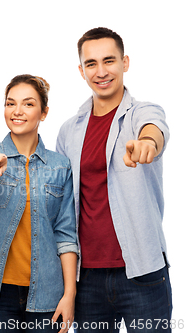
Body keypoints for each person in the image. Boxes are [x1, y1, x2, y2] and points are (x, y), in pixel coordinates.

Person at [56, 27, 172, 332]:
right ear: (81, 71)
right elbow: (64, 208)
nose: (101, 71)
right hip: (88, 279)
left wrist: (147, 143)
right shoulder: (69, 130)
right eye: (91, 64)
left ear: (125, 63)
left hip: (142, 272)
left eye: (109, 60)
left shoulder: (142, 112)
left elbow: (155, 128)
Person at [0, 75, 78, 333]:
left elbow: (66, 234)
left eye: (28, 104)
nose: (17, 111)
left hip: (47, 293)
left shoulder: (60, 166)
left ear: (44, 113)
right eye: (10, 103)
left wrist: (69, 295)